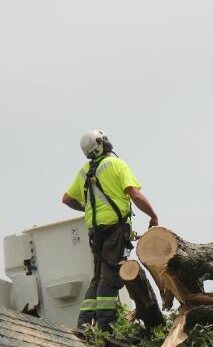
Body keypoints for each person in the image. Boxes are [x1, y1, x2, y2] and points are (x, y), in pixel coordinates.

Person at [62, 129, 158, 331]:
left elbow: (67, 199)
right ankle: (105, 327)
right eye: (105, 140)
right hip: (115, 231)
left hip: (95, 232)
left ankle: (85, 323)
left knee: (97, 277)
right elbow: (134, 194)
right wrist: (153, 216)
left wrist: (88, 208)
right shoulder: (116, 165)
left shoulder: (84, 172)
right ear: (101, 145)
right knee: (110, 277)